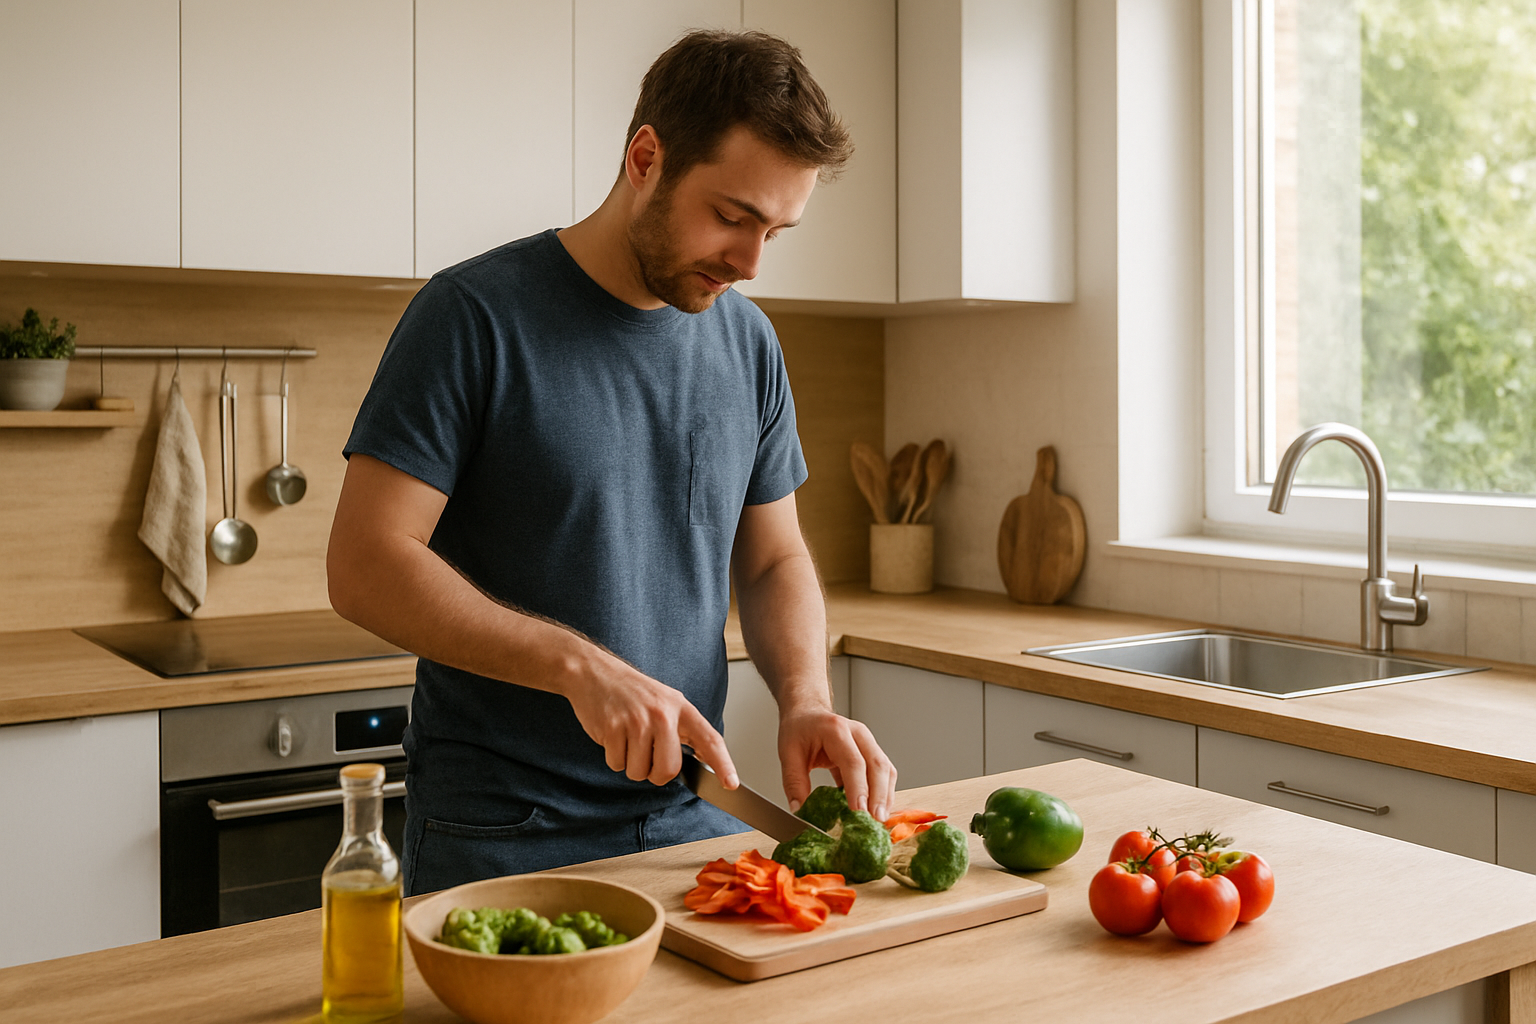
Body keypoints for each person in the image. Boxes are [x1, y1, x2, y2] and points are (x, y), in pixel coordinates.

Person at [327, 28, 897, 896]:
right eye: (732, 216)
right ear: (645, 157)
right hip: (503, 829)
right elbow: (365, 563)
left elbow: (775, 556)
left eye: (774, 233)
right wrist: (577, 666)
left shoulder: (748, 343)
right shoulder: (472, 316)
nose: (747, 263)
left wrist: (806, 697)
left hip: (693, 817)